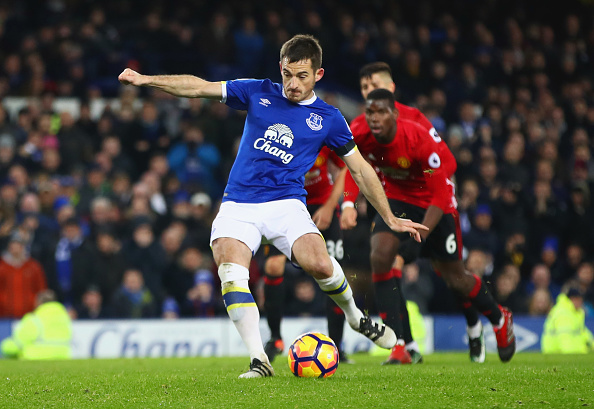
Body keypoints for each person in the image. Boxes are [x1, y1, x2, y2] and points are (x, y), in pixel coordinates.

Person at [119, 34, 427, 378]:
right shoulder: (256, 91)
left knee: (322, 265)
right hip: (239, 204)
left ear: (318, 75)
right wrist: (147, 80)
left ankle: (356, 317)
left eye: (302, 76)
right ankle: (258, 359)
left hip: (286, 206)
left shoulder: (329, 118)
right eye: (288, 74)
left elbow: (360, 169)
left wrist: (389, 217)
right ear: (280, 68)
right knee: (230, 271)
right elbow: (198, 87)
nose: (293, 84)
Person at [341, 89, 516, 365]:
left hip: (435, 206)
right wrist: (349, 204)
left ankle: (498, 316)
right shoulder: (359, 132)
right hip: (397, 200)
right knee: (380, 255)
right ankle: (398, 344)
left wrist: (424, 229)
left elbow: (441, 193)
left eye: (381, 112)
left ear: (394, 114)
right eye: (370, 112)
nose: (374, 118)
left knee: (455, 279)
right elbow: (355, 168)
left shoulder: (417, 139)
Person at [262, 145, 351, 363]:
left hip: (322, 206)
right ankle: (275, 338)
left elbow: (343, 169)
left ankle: (337, 345)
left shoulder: (319, 132)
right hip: (288, 205)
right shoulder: (277, 138)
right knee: (273, 266)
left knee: (331, 272)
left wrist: (331, 206)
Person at [1, 289, 72, 360]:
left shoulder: (34, 319)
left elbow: (18, 344)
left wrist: (4, 347)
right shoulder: (65, 319)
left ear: (38, 303)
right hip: (63, 356)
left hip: (37, 357)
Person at [541, 287, 593, 354]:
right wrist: (570, 354)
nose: (581, 302)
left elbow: (583, 332)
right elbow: (564, 337)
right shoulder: (563, 313)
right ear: (573, 299)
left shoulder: (575, 312)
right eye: (579, 300)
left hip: (560, 351)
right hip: (556, 352)